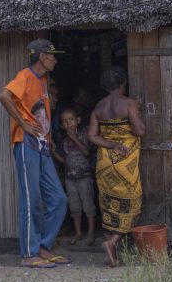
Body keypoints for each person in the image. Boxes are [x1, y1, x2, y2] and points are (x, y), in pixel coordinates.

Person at [0, 39, 69, 268]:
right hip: (26, 143)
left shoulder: (43, 81)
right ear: (42, 57)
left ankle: (43, 247)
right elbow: (4, 96)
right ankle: (29, 254)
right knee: (32, 199)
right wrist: (23, 124)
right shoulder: (26, 76)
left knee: (58, 199)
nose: (55, 60)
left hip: (42, 146)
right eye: (53, 56)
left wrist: (48, 140)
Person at [88, 66, 145, 267]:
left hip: (104, 163)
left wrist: (111, 143)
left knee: (110, 205)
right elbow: (138, 130)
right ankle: (112, 242)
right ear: (123, 83)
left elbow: (92, 136)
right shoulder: (129, 103)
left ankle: (111, 246)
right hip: (125, 163)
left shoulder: (98, 107)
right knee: (133, 203)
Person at [53, 108, 96, 245]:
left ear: (78, 120)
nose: (68, 123)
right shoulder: (64, 141)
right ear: (61, 126)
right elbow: (66, 162)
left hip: (84, 177)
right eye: (65, 122)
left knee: (88, 206)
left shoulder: (83, 135)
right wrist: (53, 152)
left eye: (71, 119)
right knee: (75, 207)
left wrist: (75, 138)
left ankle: (91, 233)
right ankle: (78, 233)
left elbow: (86, 152)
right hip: (70, 179)